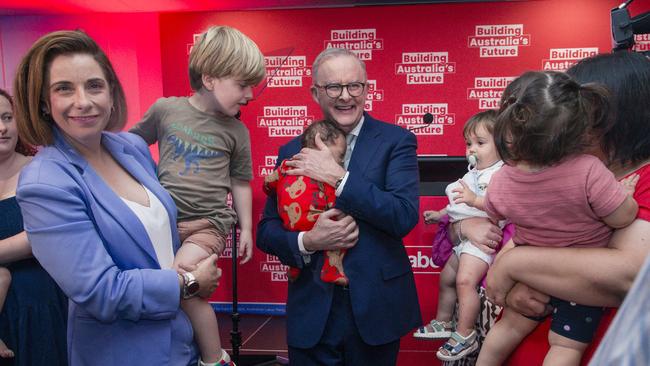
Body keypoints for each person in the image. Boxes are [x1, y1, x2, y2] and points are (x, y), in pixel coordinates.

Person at [13, 30, 221, 366]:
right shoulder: (45, 182)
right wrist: (189, 283)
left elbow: (141, 237)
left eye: (94, 85)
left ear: (111, 93)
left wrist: (202, 233)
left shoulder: (131, 148)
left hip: (180, 342)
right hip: (122, 353)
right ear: (44, 103)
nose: (83, 101)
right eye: (64, 88)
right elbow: (101, 291)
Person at [481, 51, 650, 365]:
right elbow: (535, 240)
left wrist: (511, 266)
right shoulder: (566, 172)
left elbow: (630, 276)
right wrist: (514, 284)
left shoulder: (636, 178)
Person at [256, 47, 421, 365]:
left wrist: (338, 177)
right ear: (315, 92)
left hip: (375, 310)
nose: (345, 96)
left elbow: (402, 215)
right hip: (311, 312)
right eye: (333, 87)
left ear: (366, 89)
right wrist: (309, 241)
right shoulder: (291, 149)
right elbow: (267, 230)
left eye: (354, 86)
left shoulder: (396, 141)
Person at [130, 25, 263, 365]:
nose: (250, 94)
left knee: (185, 280)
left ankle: (214, 358)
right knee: (172, 290)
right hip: (164, 224)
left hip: (208, 225)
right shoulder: (166, 110)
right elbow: (129, 145)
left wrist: (246, 228)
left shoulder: (236, 131)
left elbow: (241, 182)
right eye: (242, 85)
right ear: (209, 79)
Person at [411, 110, 505, 362]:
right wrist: (441, 214)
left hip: (482, 242)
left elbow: (500, 206)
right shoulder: (472, 173)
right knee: (448, 277)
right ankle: (443, 322)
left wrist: (475, 201)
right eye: (469, 143)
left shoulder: (501, 174)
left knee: (464, 282)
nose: (472, 149)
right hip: (463, 242)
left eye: (481, 143)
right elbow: (459, 205)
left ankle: (465, 333)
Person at [0, 88, 68, 366]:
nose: (2, 128)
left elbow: (43, 237)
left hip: (40, 308)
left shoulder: (42, 169)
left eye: (7, 117)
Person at [262, 120, 349, 285]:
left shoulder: (288, 165)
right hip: (313, 223)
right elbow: (266, 231)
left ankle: (296, 267)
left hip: (294, 222)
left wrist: (268, 186)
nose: (340, 162)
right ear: (318, 146)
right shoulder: (291, 156)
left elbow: (270, 181)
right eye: (339, 157)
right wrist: (303, 242)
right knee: (337, 243)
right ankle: (330, 270)